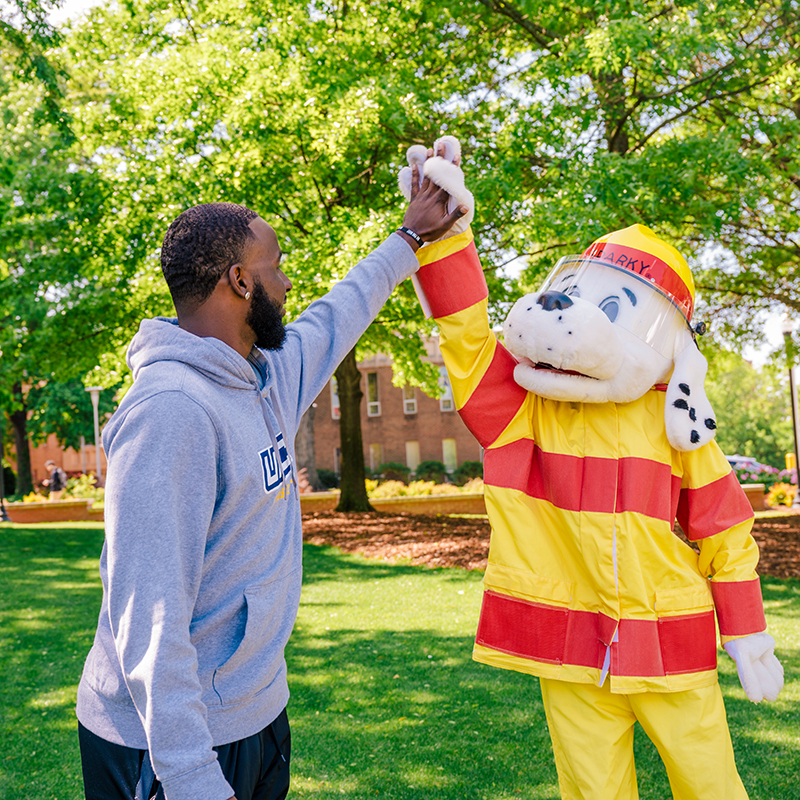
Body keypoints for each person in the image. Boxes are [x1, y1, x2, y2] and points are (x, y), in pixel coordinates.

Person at [405, 141, 783, 800]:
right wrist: (443, 239)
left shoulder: (676, 421)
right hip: (572, 646)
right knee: (591, 792)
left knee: (710, 785)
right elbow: (467, 339)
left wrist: (747, 631)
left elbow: (727, 531)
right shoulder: (522, 409)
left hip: (671, 641)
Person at [76, 173, 466, 800]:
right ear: (240, 280)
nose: (287, 285)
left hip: (254, 714)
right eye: (276, 266)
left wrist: (411, 235)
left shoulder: (266, 378)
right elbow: (147, 614)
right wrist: (191, 776)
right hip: (168, 745)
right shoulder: (171, 413)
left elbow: (342, 308)